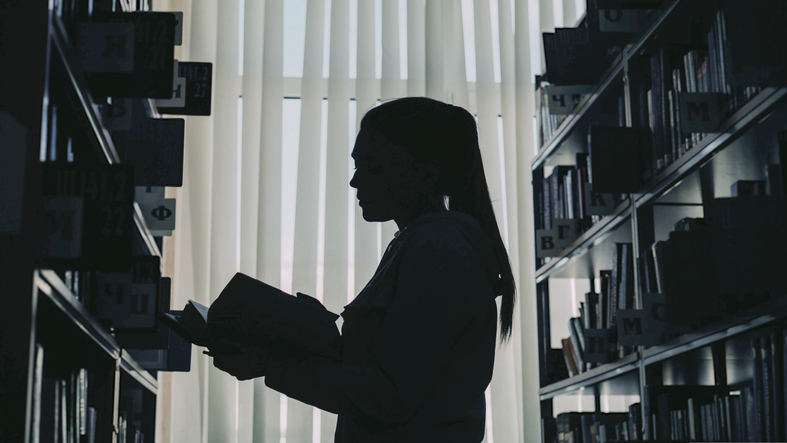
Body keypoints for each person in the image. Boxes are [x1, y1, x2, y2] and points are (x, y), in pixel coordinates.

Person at [212, 97, 516, 442]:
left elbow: (390, 396)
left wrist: (271, 363)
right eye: (357, 166)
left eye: (374, 168)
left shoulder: (437, 247)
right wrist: (321, 341)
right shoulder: (421, 243)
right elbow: (401, 371)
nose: (356, 182)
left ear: (427, 174)